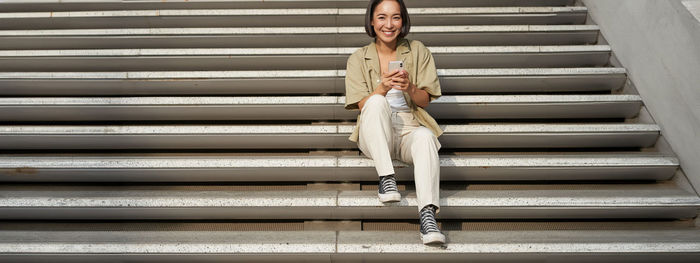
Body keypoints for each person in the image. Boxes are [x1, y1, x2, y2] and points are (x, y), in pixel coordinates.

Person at [344, 0, 445, 245]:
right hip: (375, 133)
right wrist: (381, 88)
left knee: (425, 137)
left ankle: (428, 217)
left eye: (396, 17)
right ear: (371, 20)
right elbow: (361, 106)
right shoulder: (358, 58)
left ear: (403, 21)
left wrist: (409, 87)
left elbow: (425, 101)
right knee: (377, 102)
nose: (389, 24)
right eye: (381, 17)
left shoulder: (418, 50)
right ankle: (387, 179)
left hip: (409, 127)